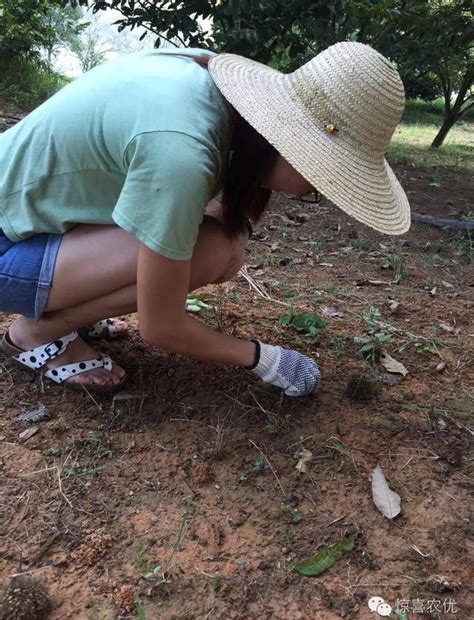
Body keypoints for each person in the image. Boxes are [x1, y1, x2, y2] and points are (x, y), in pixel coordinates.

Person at [0, 42, 410, 395]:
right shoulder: (184, 152)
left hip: (34, 229)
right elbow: (161, 327)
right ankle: (35, 334)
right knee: (212, 250)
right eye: (322, 180)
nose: (309, 192)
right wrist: (265, 359)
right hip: (8, 250)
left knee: (218, 245)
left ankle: (62, 312)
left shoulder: (207, 86)